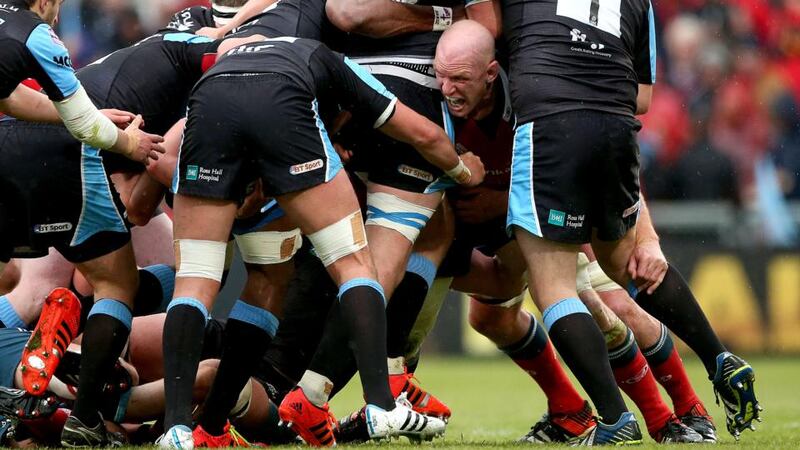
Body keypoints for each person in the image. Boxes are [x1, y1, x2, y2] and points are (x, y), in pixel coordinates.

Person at [157, 36, 483, 449]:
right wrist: (463, 170)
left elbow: (166, 152)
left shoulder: (235, 56)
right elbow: (423, 134)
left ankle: (177, 430)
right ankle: (382, 404)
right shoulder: (329, 60)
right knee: (353, 262)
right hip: (281, 102)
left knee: (194, 282)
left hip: (208, 107)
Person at [502, 0, 759, 442]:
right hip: (617, 131)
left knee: (554, 288)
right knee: (629, 265)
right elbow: (643, 97)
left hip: (549, 125)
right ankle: (719, 358)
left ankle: (615, 420)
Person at [0, 0, 163, 173]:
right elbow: (85, 125)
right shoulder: (37, 34)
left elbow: (10, 98)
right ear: (44, 2)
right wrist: (130, 144)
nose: (56, 20)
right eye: (59, 6)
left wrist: (87, 114)